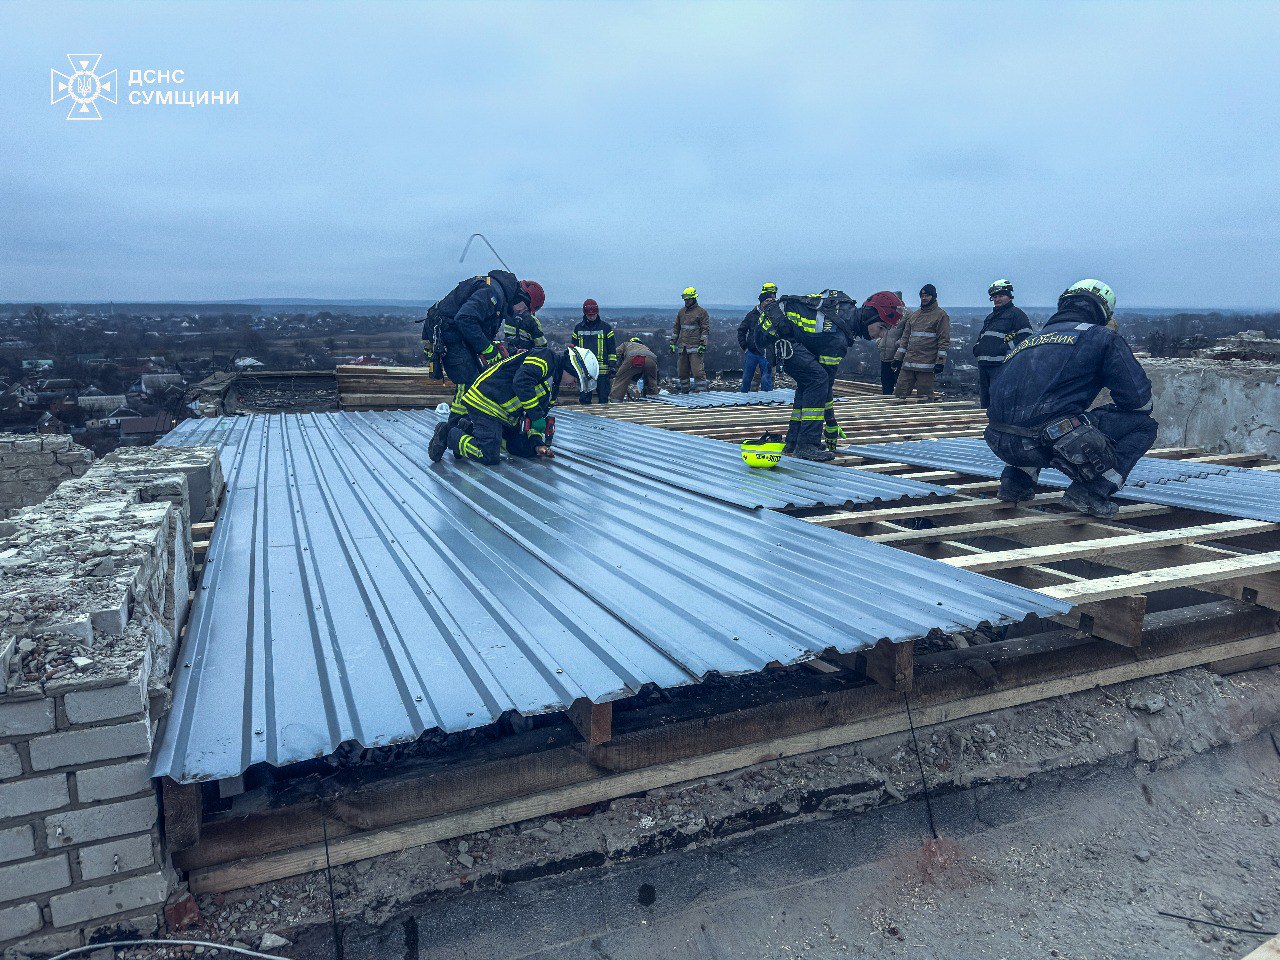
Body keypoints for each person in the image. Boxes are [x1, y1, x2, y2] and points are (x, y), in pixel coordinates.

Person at [985, 279, 1157, 518]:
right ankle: (1091, 492)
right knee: (1144, 426)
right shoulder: (1101, 338)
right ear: (1103, 311)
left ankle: (1015, 482)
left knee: (1031, 413)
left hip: (999, 440)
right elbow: (1138, 403)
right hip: (1046, 440)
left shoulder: (1031, 341)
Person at [756, 290, 903, 461]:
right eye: (881, 327)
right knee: (817, 380)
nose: (882, 335)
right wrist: (831, 422)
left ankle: (794, 441)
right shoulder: (837, 338)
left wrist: (830, 421)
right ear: (870, 316)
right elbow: (826, 384)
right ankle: (807, 445)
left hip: (773, 329)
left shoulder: (844, 314)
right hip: (774, 333)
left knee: (809, 380)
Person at [428, 345, 597, 466]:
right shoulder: (545, 357)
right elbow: (522, 382)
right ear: (572, 368)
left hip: (504, 415)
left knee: (523, 449)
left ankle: (467, 429)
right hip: (486, 402)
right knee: (489, 455)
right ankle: (448, 433)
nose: (572, 385)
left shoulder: (552, 390)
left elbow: (536, 419)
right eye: (575, 380)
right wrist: (537, 416)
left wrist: (538, 445)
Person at [424, 271, 546, 422]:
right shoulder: (492, 293)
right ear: (522, 298)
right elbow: (464, 319)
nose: (522, 313)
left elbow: (482, 326)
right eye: (525, 309)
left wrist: (492, 347)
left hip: (458, 333)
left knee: (479, 376)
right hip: (450, 333)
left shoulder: (500, 296)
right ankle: (456, 425)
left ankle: (466, 421)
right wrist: (487, 349)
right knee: (469, 378)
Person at [973, 278, 1033, 408]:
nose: (997, 299)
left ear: (1009, 296)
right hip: (984, 365)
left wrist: (1005, 348)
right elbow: (983, 336)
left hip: (1002, 365)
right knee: (986, 402)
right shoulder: (990, 317)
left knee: (1000, 401)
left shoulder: (1017, 314)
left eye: (1001, 296)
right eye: (994, 297)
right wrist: (977, 347)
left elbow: (1026, 336)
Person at [893, 284, 950, 402]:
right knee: (899, 396)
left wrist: (940, 362)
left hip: (926, 367)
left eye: (927, 295)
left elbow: (943, 341)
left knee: (924, 400)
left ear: (934, 297)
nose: (924, 298)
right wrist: (898, 358)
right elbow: (905, 340)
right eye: (922, 296)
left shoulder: (941, 316)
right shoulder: (914, 316)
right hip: (908, 365)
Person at [560, 299, 616, 404]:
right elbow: (574, 349)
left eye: (593, 314)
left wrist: (612, 365)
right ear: (585, 314)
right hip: (585, 370)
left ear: (597, 312)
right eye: (589, 315)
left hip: (602, 371)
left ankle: (604, 418)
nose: (591, 316)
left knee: (604, 398)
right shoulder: (578, 329)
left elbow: (611, 349)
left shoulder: (606, 328)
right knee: (584, 399)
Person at [737, 283, 776, 392]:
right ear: (762, 302)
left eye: (771, 301)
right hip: (752, 353)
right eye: (767, 301)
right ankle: (744, 399)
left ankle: (766, 400)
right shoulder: (752, 315)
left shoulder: (774, 315)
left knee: (766, 379)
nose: (769, 303)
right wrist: (745, 347)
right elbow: (741, 330)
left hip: (767, 354)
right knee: (746, 379)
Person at [671, 287, 710, 393]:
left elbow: (705, 330)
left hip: (695, 348)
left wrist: (703, 344)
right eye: (685, 299)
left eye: (688, 299)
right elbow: (676, 328)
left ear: (693, 299)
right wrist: (672, 342)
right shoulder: (681, 312)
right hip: (682, 347)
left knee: (698, 372)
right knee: (682, 372)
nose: (686, 301)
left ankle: (702, 392)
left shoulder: (701, 312)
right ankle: (685, 392)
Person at [878, 294, 906, 394]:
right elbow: (879, 330)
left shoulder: (907, 316)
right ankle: (887, 407)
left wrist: (897, 344)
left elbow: (908, 335)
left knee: (900, 389)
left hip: (898, 358)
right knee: (886, 388)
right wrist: (880, 342)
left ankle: (898, 408)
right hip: (884, 357)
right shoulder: (886, 314)